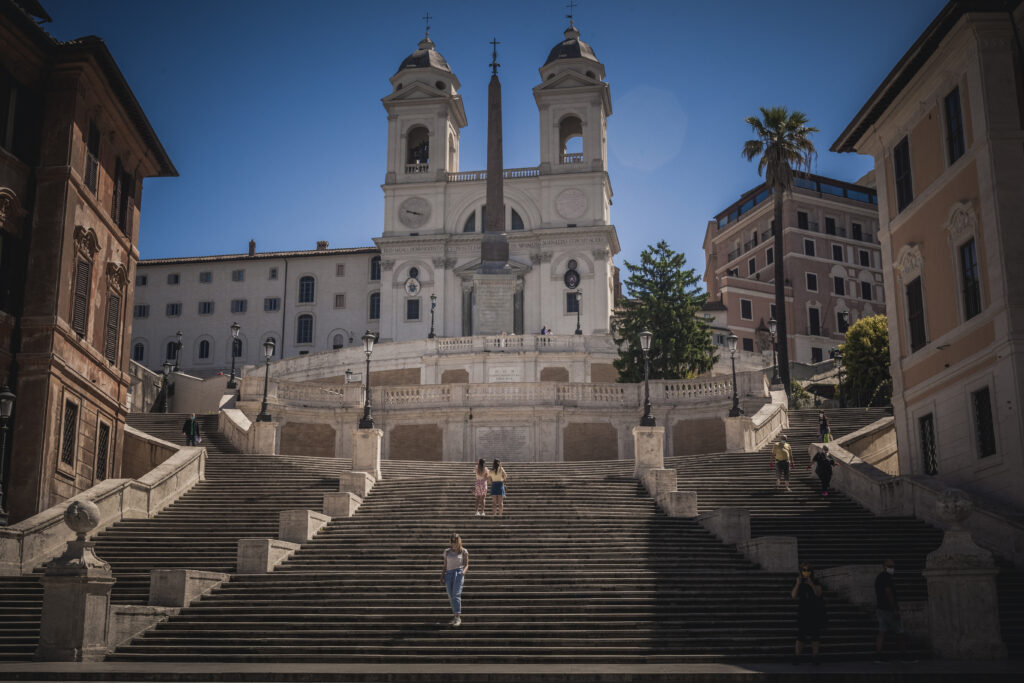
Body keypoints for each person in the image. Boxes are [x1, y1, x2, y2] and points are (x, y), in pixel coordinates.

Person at [875, 558, 909, 661]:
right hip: (888, 609)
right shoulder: (886, 578)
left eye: (893, 566)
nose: (892, 568)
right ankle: (904, 654)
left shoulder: (879, 577)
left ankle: (879, 655)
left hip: (880, 608)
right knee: (899, 631)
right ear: (884, 566)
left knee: (882, 631)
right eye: (890, 566)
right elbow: (888, 592)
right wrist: (894, 608)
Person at [791, 562, 824, 665]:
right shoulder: (799, 581)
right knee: (801, 635)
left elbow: (818, 594)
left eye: (808, 570)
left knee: (815, 635)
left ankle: (815, 657)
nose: (806, 572)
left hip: (814, 611)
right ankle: (797, 657)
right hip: (803, 611)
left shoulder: (815, 581)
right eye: (804, 570)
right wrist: (797, 583)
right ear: (801, 571)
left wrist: (811, 584)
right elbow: (793, 595)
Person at [442, 533, 469, 627]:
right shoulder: (447, 551)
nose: (453, 543)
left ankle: (458, 617)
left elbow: (466, 564)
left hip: (458, 573)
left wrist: (463, 572)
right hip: (448, 574)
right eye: (452, 541)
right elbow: (445, 565)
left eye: (455, 541)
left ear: (459, 541)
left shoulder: (464, 551)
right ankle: (455, 616)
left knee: (456, 594)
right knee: (450, 595)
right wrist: (442, 576)